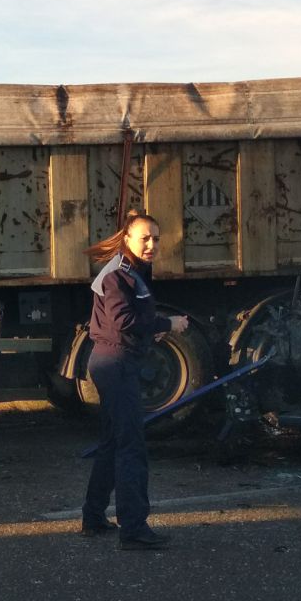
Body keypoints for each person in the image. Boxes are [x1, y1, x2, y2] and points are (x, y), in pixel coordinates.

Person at [80, 210, 189, 549]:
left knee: (114, 442)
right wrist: (167, 324)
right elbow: (123, 321)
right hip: (116, 364)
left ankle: (93, 517)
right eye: (145, 238)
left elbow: (127, 319)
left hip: (115, 359)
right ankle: (134, 530)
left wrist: (150, 330)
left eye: (156, 238)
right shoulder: (118, 274)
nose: (151, 245)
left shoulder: (130, 271)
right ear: (127, 238)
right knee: (131, 447)